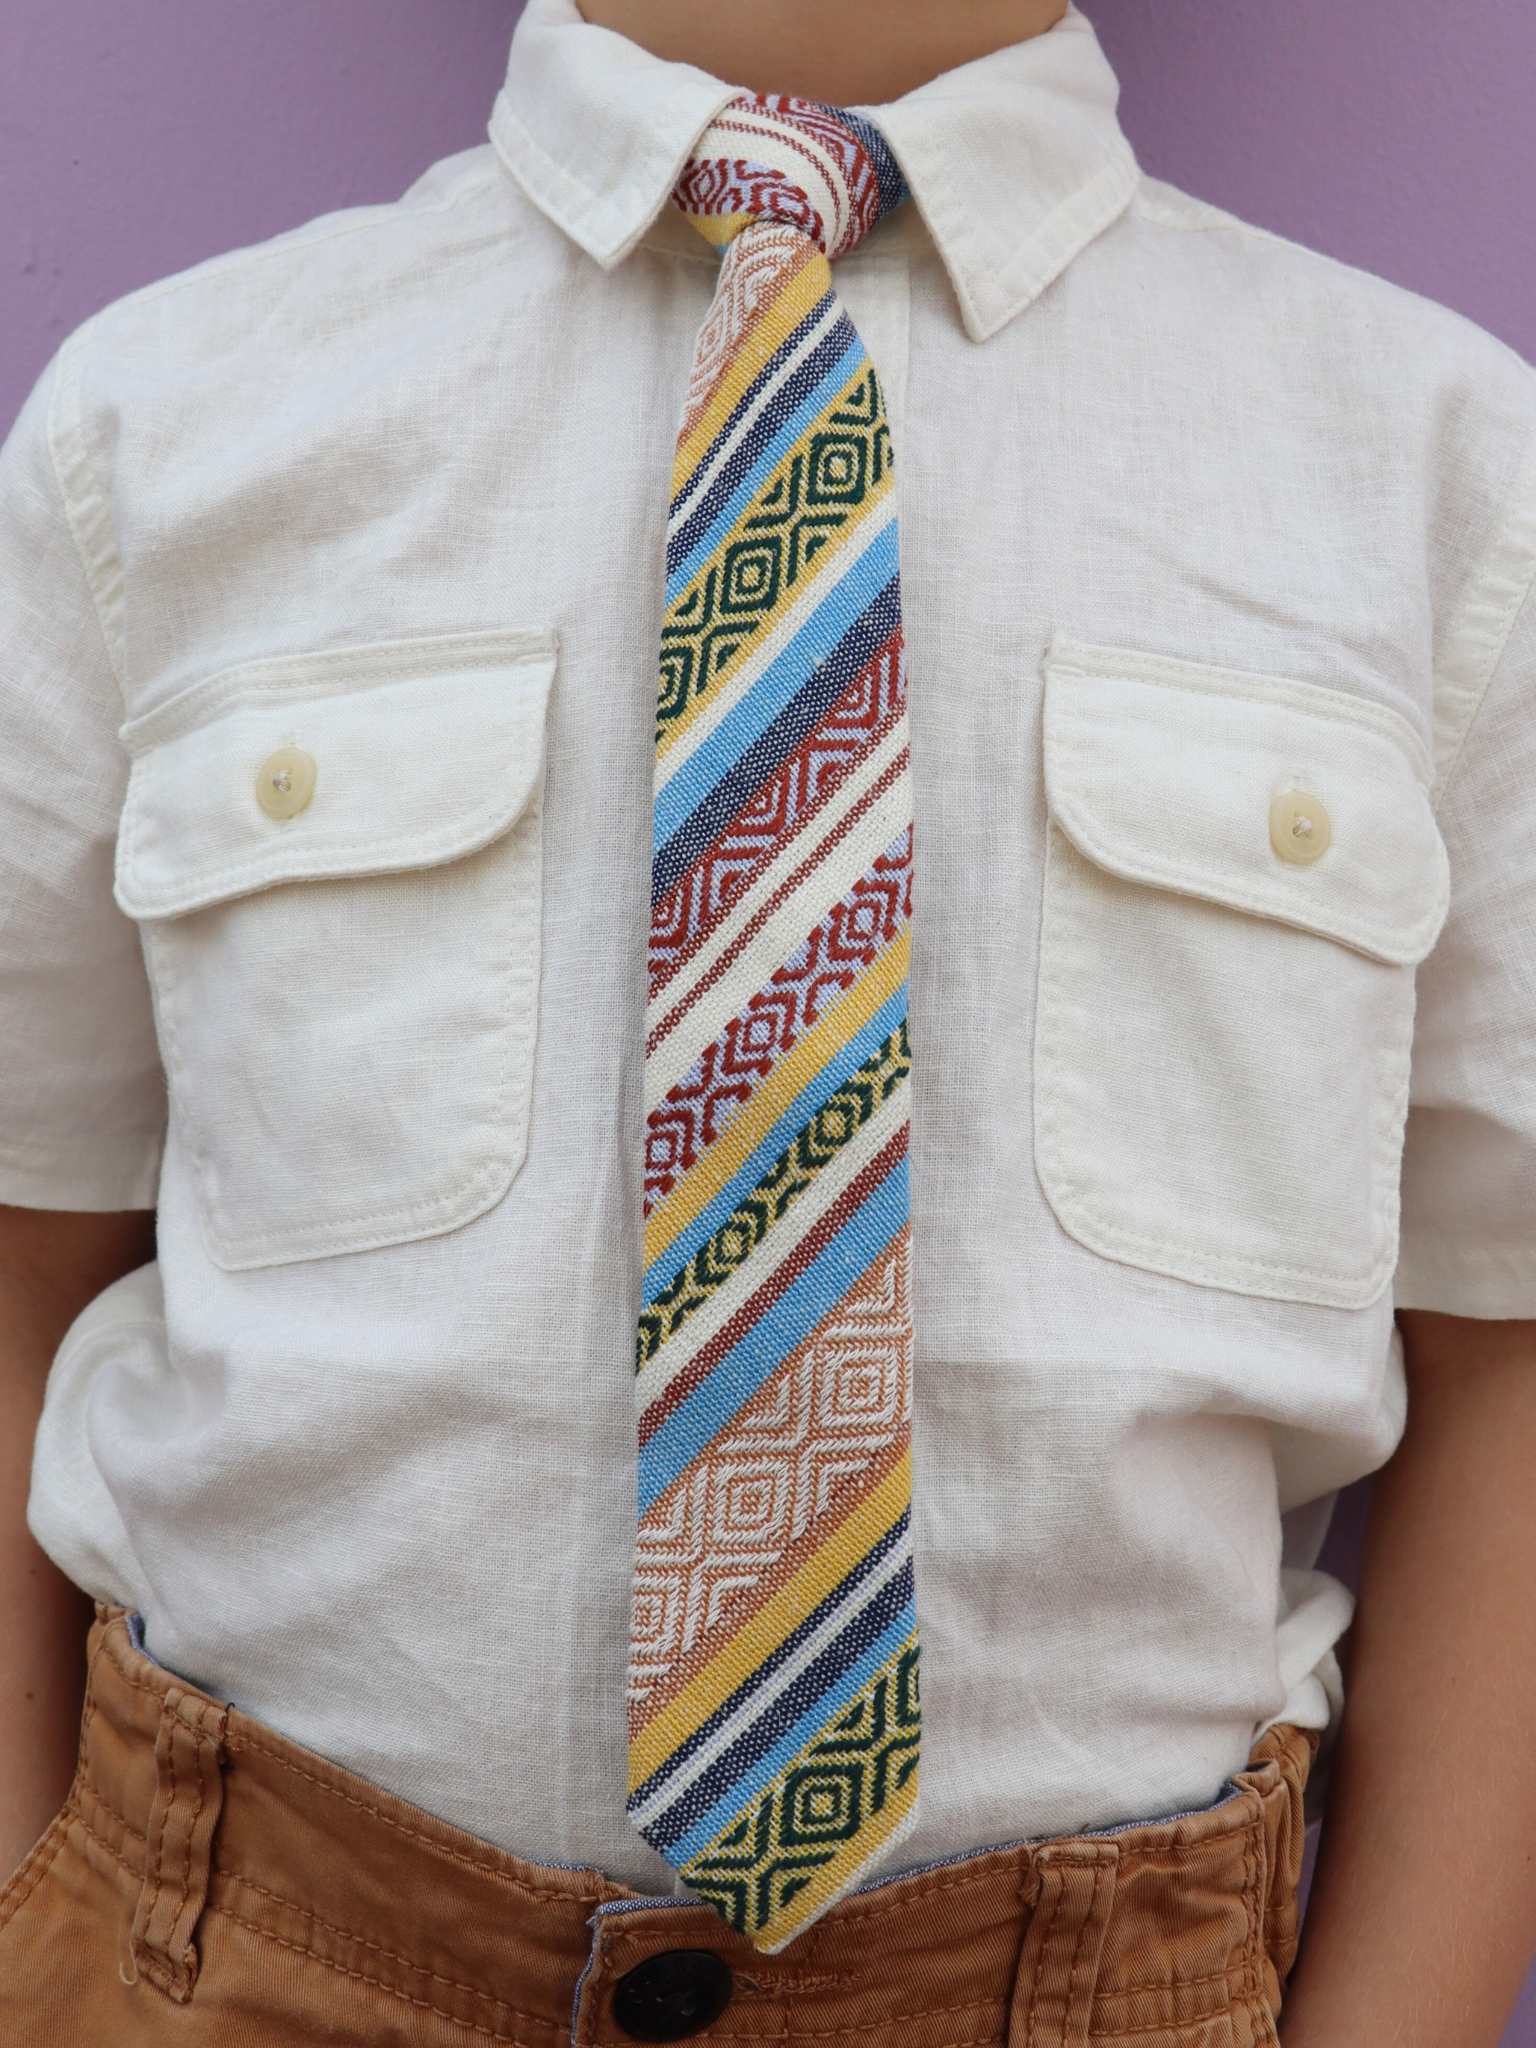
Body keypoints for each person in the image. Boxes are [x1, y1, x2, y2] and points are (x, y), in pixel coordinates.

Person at [0, 0, 1533, 2038]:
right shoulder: (166, 433)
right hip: (232, 1939)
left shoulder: (1441, 486)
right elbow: (26, 1240)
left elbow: (1507, 1346)